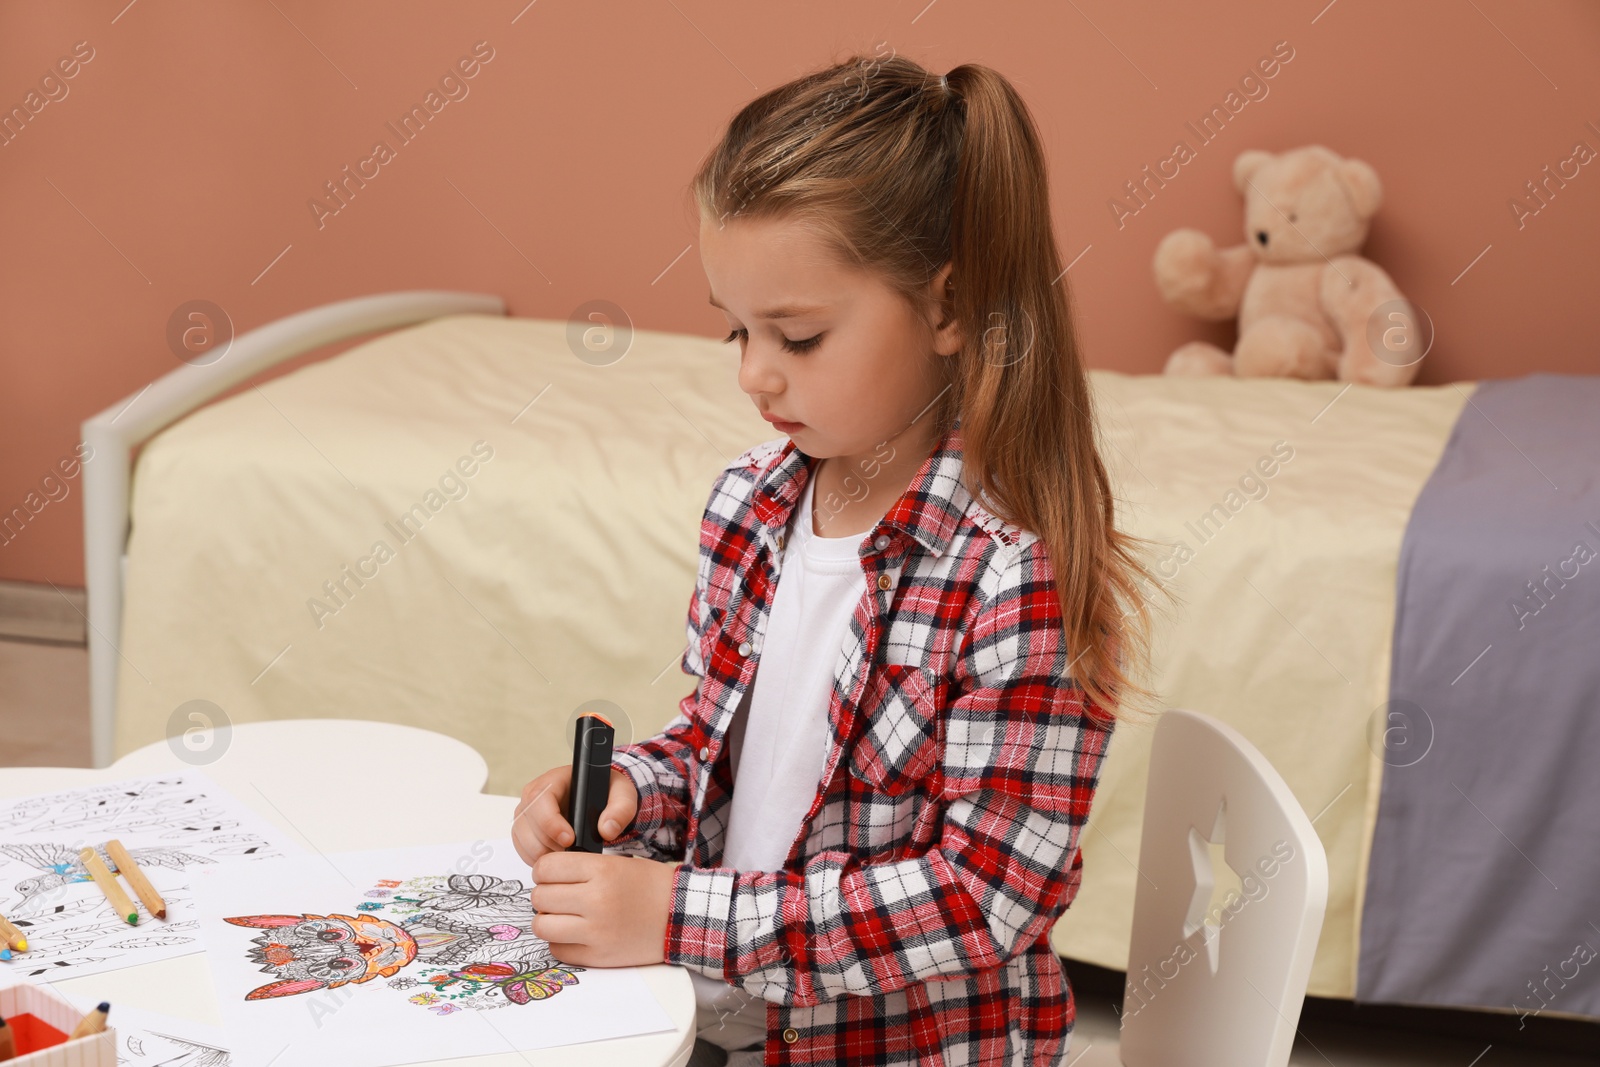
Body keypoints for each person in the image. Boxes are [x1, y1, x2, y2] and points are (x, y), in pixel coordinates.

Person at [512, 50, 1164, 1066]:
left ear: (948, 309)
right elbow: (717, 745)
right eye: (737, 329)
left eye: (799, 335)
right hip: (737, 1021)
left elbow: (977, 899)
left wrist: (674, 911)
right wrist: (637, 792)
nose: (753, 372)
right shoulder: (752, 503)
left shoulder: (1009, 577)